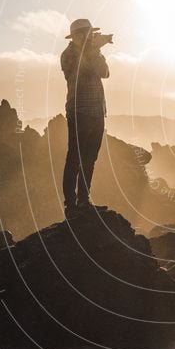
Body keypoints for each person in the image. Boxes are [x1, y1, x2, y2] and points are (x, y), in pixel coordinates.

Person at [61, 18, 110, 217]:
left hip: (98, 111)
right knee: (75, 158)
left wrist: (96, 51)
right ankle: (71, 205)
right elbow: (80, 73)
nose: (90, 37)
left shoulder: (94, 52)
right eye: (86, 33)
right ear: (76, 36)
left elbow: (105, 73)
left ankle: (84, 201)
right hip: (79, 110)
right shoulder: (69, 54)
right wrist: (90, 51)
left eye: (90, 33)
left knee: (90, 159)